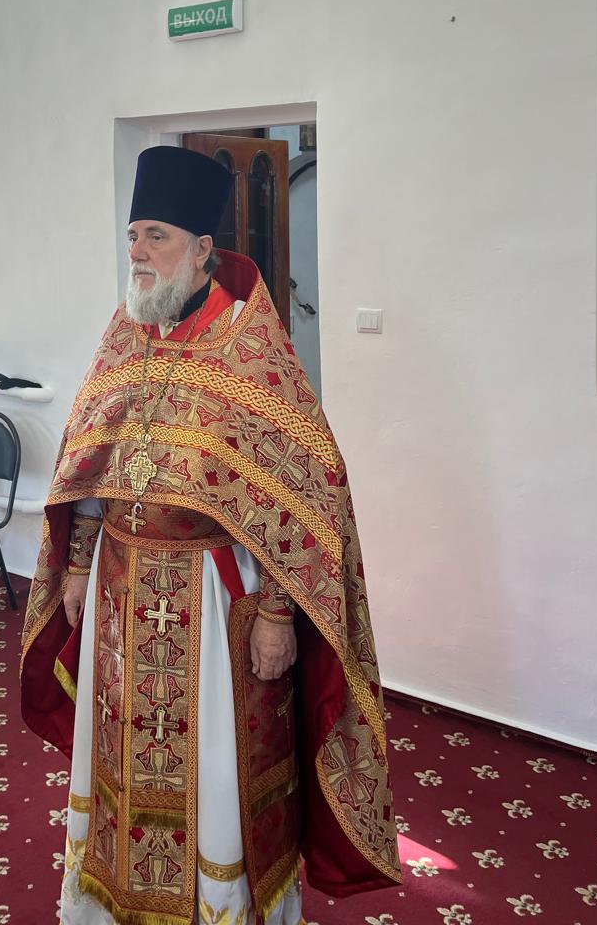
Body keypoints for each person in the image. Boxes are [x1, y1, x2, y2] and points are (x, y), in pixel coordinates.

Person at [21, 145, 402, 924]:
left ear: (200, 250)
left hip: (212, 602)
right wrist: (77, 568)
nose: (137, 252)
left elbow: (299, 495)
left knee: (214, 769)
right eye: (133, 235)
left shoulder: (250, 349)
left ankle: (215, 908)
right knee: (119, 755)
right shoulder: (126, 334)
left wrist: (277, 616)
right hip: (120, 594)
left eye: (155, 236)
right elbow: (90, 464)